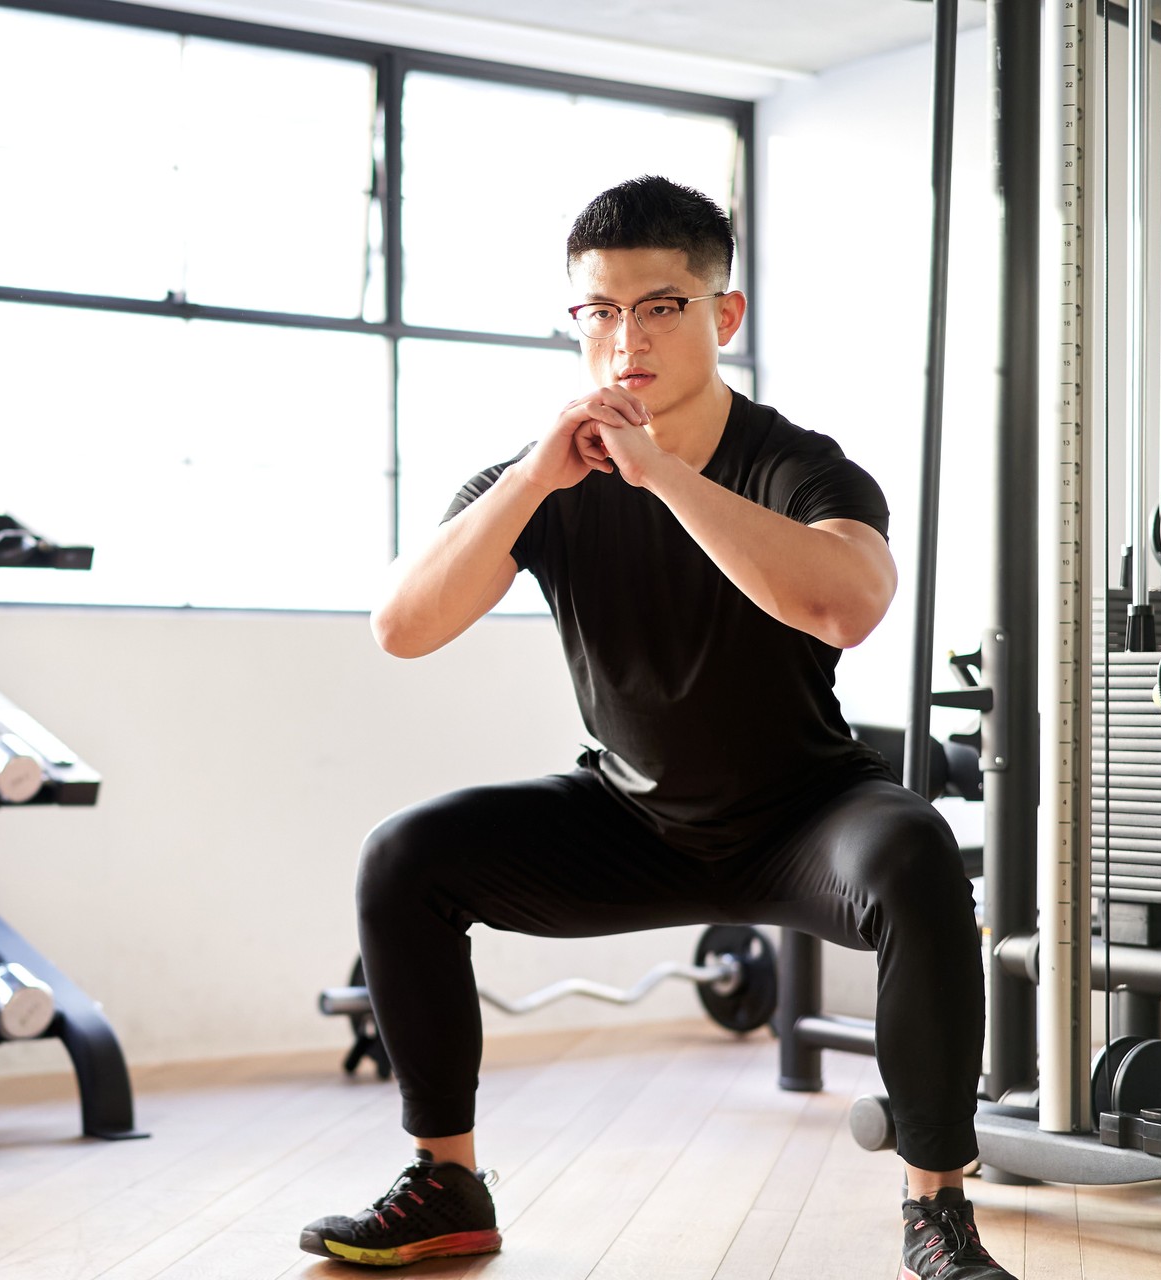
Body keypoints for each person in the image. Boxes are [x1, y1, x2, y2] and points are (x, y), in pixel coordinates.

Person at [298, 176, 1013, 1279]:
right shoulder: (542, 477)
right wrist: (540, 473)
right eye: (599, 311)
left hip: (805, 817)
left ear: (722, 316)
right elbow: (402, 625)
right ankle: (448, 1182)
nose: (625, 337)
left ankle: (938, 1210)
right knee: (406, 855)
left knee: (913, 846)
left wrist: (666, 478)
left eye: (661, 306)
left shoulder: (795, 462)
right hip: (628, 815)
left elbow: (847, 602)